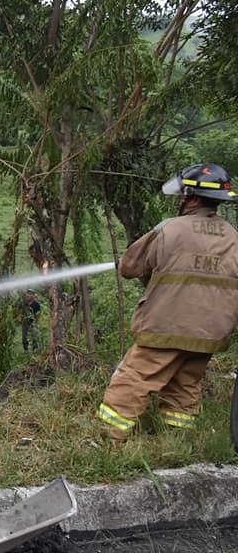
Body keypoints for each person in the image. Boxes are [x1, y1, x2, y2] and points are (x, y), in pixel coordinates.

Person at [98, 163, 238, 441]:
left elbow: (129, 267)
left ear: (193, 198)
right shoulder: (234, 237)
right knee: (186, 385)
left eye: (184, 195)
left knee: (134, 380)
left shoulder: (169, 229)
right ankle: (174, 441)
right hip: (210, 332)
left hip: (165, 326)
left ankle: (109, 441)